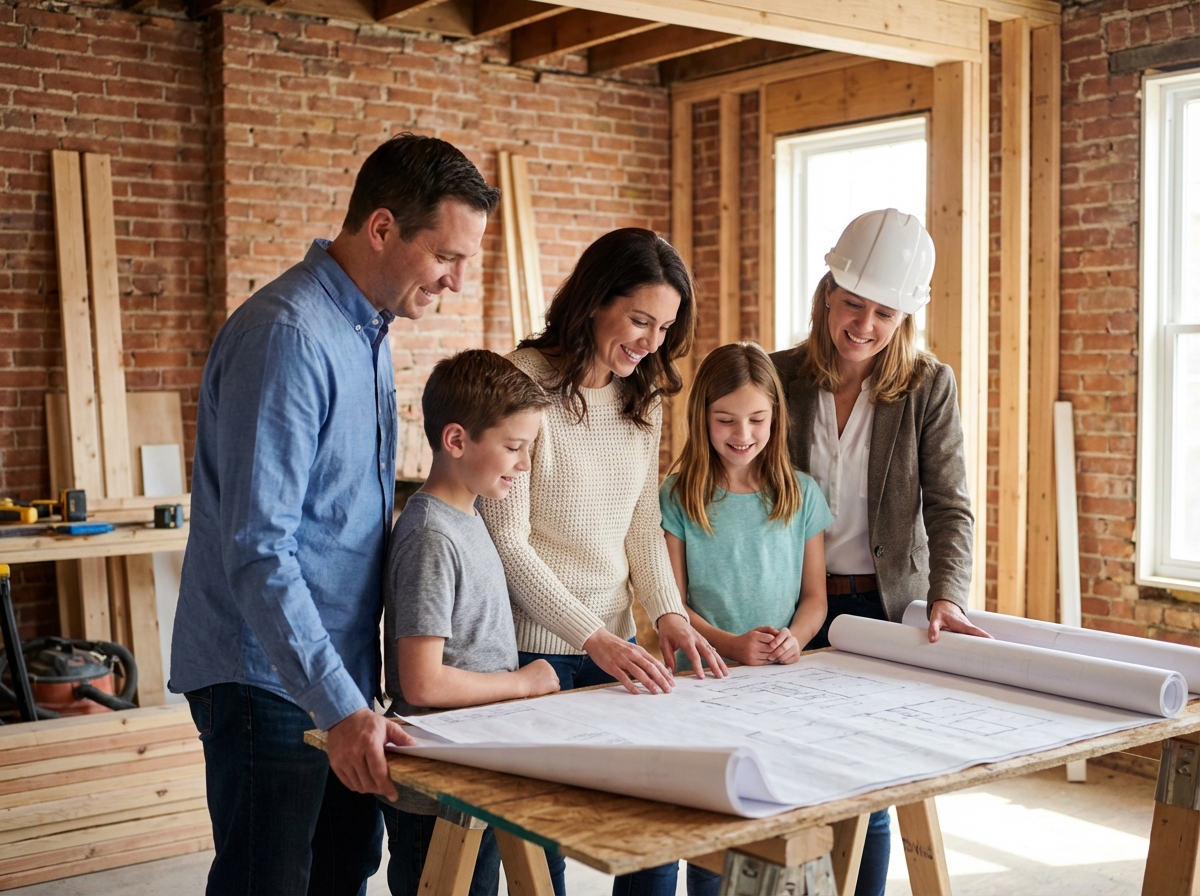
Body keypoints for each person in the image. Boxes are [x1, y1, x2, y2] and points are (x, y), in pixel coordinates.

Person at [170, 134, 500, 895]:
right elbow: (259, 548)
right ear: (383, 228)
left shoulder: (367, 332)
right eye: (446, 257)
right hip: (270, 681)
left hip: (337, 680)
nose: (454, 282)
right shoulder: (289, 336)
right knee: (271, 881)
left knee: (344, 870)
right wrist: (338, 702)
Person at [478, 227, 728, 896]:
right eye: (641, 319)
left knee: (654, 833)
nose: (650, 341)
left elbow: (641, 529)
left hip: (615, 646)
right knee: (543, 842)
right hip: (539, 653)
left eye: (664, 327)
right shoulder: (517, 383)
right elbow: (509, 542)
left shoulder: (640, 396)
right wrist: (593, 635)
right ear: (594, 300)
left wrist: (670, 616)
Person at [772, 208, 990, 896]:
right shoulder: (777, 376)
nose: (864, 326)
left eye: (885, 314)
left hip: (884, 602)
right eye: (853, 305)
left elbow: (950, 503)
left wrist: (948, 594)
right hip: (793, 601)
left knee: (870, 779)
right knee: (787, 765)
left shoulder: (929, 386)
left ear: (905, 319)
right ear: (828, 294)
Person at [381, 350, 561, 896]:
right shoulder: (432, 537)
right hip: (435, 788)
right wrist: (523, 683)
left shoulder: (468, 514)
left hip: (470, 765)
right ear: (456, 441)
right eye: (513, 447)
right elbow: (420, 681)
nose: (524, 465)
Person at [659, 341, 834, 896]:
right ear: (702, 417)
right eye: (725, 419)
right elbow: (672, 602)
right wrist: (729, 645)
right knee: (710, 824)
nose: (743, 434)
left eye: (758, 419)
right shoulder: (679, 496)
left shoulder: (801, 494)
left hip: (784, 688)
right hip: (705, 682)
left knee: (779, 812)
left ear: (776, 418)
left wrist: (795, 639)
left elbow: (815, 599)